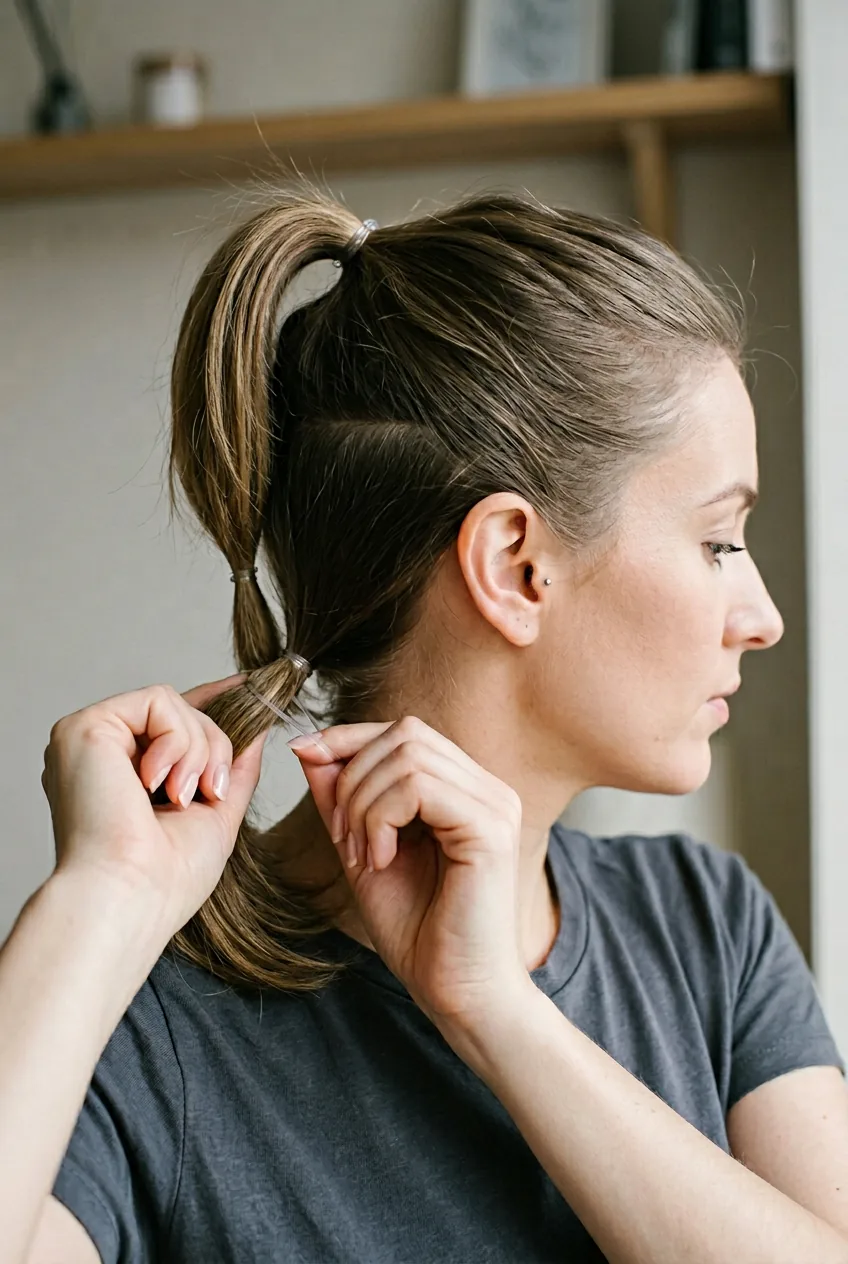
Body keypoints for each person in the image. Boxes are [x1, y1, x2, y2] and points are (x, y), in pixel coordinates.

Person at [4, 188, 848, 1264]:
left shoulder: (705, 931)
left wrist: (498, 1014)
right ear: (513, 566)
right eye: (719, 541)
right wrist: (97, 901)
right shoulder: (149, 1028)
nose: (760, 616)